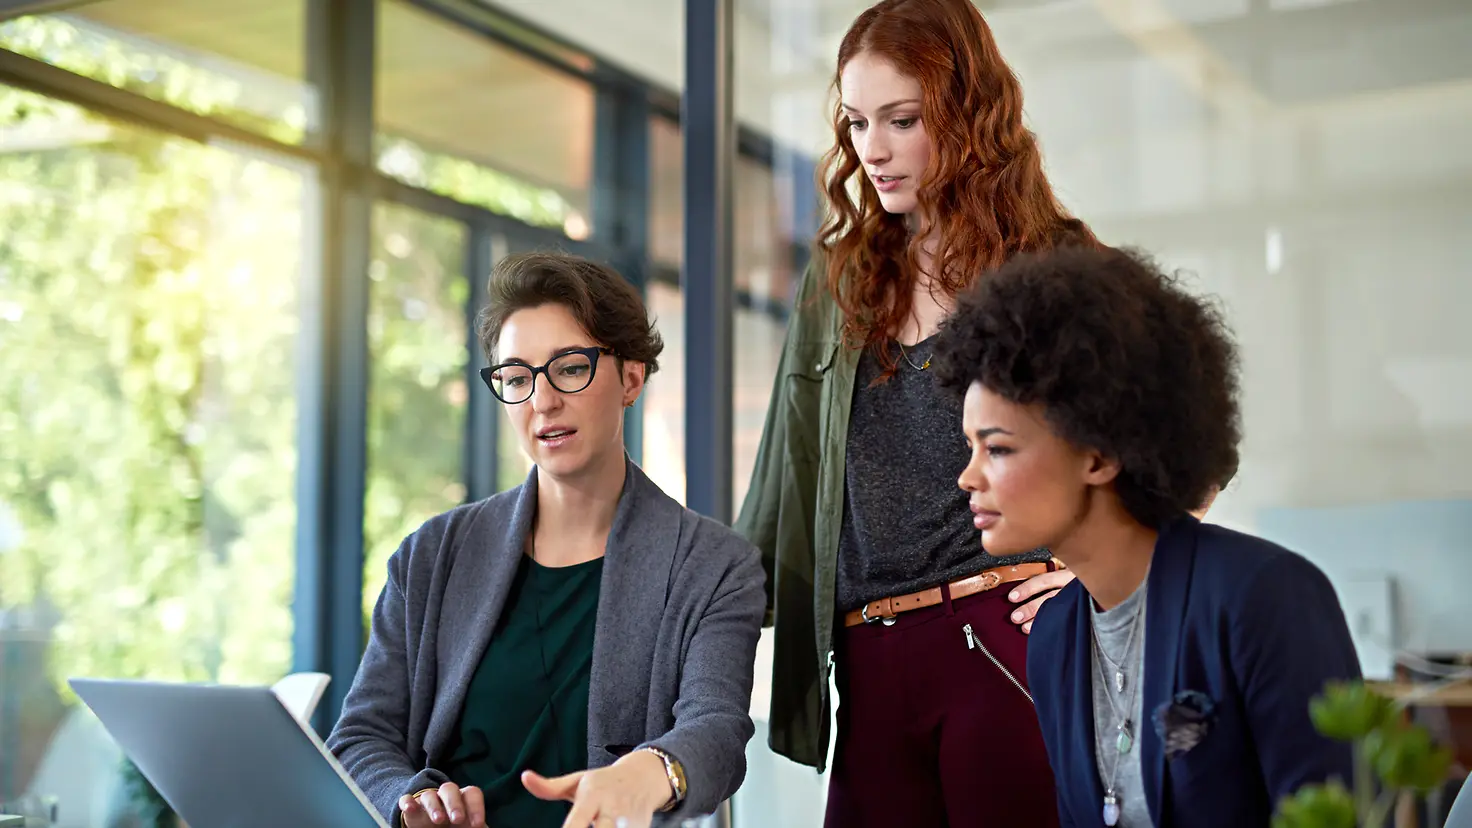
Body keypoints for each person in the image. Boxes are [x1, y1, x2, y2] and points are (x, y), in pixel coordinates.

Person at [735, 0, 1100, 824]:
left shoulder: (1060, 267)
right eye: (858, 121)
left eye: (902, 120)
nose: (872, 150)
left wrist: (1096, 575)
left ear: (967, 112)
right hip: (865, 663)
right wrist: (683, 613)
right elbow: (777, 493)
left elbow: (1194, 456)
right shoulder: (837, 284)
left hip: (1007, 646)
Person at [328, 252, 766, 828]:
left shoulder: (714, 565)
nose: (542, 401)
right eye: (516, 378)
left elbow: (716, 729)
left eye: (568, 368)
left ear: (631, 377)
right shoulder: (431, 556)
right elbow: (361, 736)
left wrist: (652, 769)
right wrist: (412, 803)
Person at [932, 244, 1361, 827]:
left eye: (999, 448)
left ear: (1100, 453)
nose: (968, 476)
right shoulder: (1055, 637)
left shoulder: (1266, 596)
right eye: (970, 447)